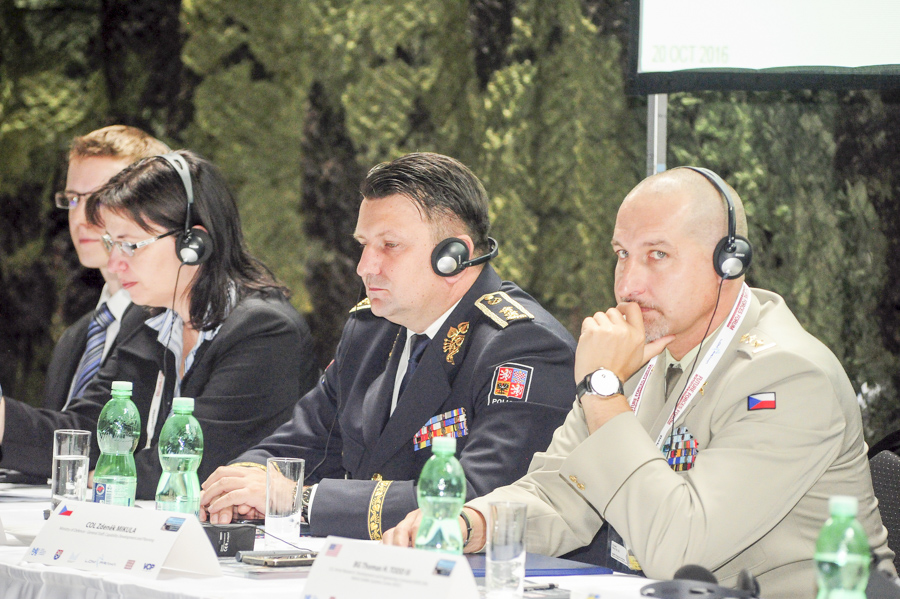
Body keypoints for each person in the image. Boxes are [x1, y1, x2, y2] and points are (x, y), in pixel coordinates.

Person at [383, 167, 895, 598]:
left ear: (728, 262)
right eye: (622, 254)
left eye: (657, 255)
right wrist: (472, 524)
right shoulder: (647, 353)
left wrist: (603, 391)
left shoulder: (788, 376)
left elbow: (682, 548)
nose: (627, 284)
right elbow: (559, 494)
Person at [200, 152, 577, 540]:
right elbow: (302, 442)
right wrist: (240, 484)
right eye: (364, 244)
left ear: (454, 257)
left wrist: (301, 501)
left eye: (390, 245)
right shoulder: (370, 331)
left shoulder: (524, 347)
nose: (365, 266)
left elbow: (479, 500)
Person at [0, 150, 319, 499]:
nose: (115, 263)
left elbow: (195, 463)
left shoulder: (265, 331)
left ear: (192, 244)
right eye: (111, 244)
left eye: (130, 245)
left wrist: (99, 477)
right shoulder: (149, 320)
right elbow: (88, 431)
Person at [19, 125, 170, 414]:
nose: (80, 218)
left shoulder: (169, 325)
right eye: (73, 199)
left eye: (101, 199)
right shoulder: (74, 338)